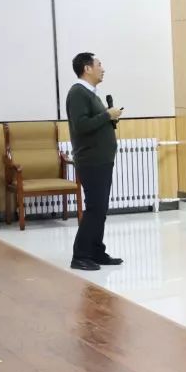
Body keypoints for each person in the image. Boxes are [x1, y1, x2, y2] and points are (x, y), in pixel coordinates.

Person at [66, 53, 123, 271]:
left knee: (100, 209)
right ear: (87, 68)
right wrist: (107, 116)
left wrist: (108, 117)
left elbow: (94, 122)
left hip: (101, 159)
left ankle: (96, 251)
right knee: (94, 208)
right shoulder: (78, 93)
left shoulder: (90, 94)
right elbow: (81, 125)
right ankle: (80, 256)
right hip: (91, 159)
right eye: (99, 64)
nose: (103, 69)